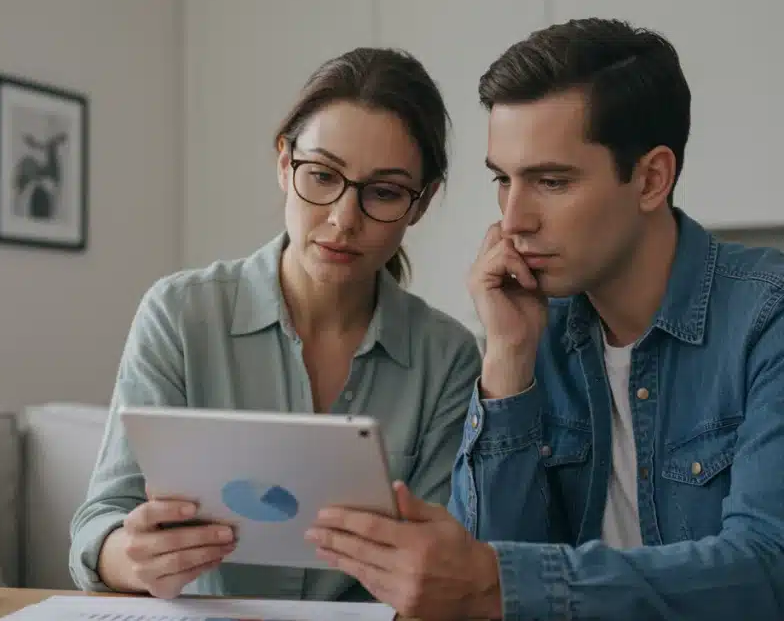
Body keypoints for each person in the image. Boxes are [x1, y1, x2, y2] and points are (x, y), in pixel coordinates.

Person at [304, 18, 784, 620]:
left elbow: (774, 577)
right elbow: (480, 584)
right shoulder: (532, 326)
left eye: (552, 181)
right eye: (503, 180)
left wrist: (495, 581)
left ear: (651, 179)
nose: (514, 219)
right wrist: (508, 362)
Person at [68, 47, 482, 603]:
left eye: (383, 192)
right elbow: (101, 522)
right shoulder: (180, 315)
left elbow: (442, 563)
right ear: (284, 164)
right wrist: (132, 558)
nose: (343, 219)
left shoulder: (448, 357)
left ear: (421, 202)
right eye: (322, 175)